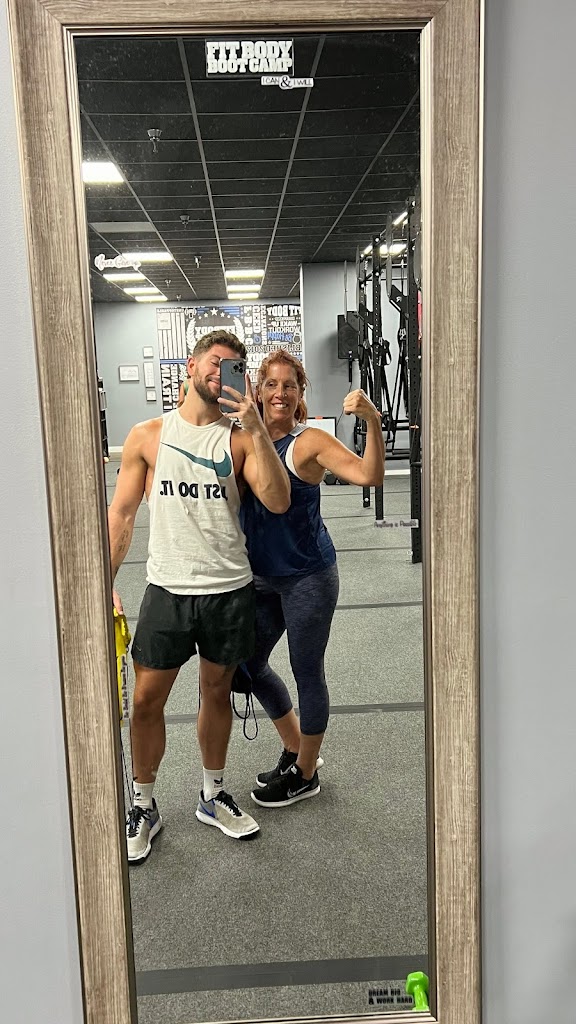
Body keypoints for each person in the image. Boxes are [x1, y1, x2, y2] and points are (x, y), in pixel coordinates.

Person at [108, 330, 290, 862]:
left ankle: (212, 794)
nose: (220, 372)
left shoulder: (239, 439)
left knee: (216, 693)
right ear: (190, 367)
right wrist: (101, 582)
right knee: (146, 700)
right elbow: (122, 514)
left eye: (232, 366)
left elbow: (278, 500)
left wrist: (257, 428)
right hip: (167, 589)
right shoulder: (148, 435)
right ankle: (144, 803)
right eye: (214, 362)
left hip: (227, 589)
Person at [240, 349, 385, 808]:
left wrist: (373, 420)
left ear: (300, 392)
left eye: (290, 385)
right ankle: (295, 747)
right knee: (246, 665)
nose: (280, 393)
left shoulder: (309, 442)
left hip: (308, 576)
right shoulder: (241, 436)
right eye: (271, 384)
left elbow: (369, 474)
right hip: (260, 577)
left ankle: (305, 774)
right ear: (257, 390)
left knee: (307, 670)